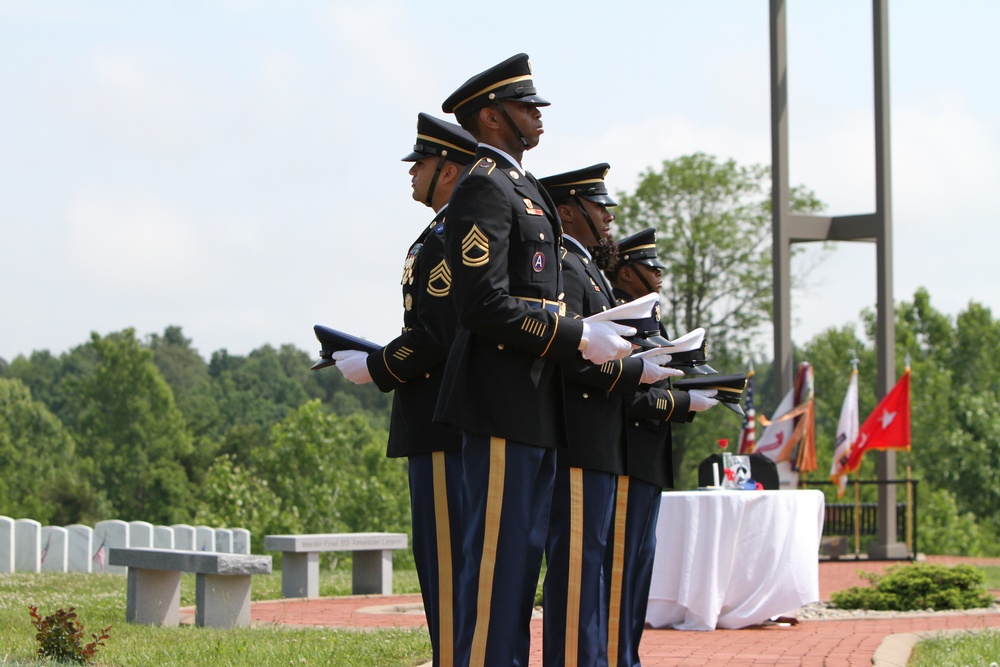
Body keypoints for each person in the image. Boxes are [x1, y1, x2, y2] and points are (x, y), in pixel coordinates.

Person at [435, 54, 635, 667]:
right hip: (500, 401)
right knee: (499, 571)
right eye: (526, 107)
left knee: (520, 570)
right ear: (492, 117)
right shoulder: (484, 187)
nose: (538, 115)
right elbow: (483, 305)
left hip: (533, 403)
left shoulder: (523, 189)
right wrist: (575, 335)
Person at [330, 112, 477, 667]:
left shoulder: (446, 235)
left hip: (440, 420)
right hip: (445, 415)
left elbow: (437, 334)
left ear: (447, 169)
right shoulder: (445, 231)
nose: (411, 173)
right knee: (447, 557)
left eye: (420, 162)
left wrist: (380, 367)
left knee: (446, 558)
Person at [537, 165, 680, 667]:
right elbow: (571, 360)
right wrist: (635, 369)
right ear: (571, 211)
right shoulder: (566, 269)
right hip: (580, 440)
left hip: (600, 443)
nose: (610, 216)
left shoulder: (586, 269)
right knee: (580, 569)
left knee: (592, 566)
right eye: (600, 207)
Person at [603, 228, 719, 666]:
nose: (660, 275)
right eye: (652, 268)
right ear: (627, 271)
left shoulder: (646, 314)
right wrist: (685, 401)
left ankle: (623, 655)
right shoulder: (620, 312)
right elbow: (626, 392)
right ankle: (614, 658)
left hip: (644, 460)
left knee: (635, 573)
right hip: (625, 456)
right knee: (620, 572)